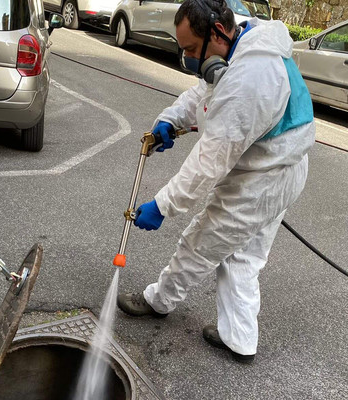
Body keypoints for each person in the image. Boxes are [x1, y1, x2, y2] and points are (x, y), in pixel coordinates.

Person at [117, 0, 315, 363]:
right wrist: (172, 119)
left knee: (200, 242)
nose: (189, 58)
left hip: (262, 181)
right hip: (280, 169)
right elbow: (206, 92)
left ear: (218, 32)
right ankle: (239, 338)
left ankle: (158, 301)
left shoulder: (252, 78)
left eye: (192, 49)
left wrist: (163, 206)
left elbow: (209, 162)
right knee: (243, 254)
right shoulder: (246, 46)